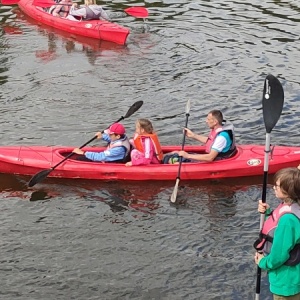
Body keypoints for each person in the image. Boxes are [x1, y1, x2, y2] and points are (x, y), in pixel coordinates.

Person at [254, 167, 300, 300]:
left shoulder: (287, 220)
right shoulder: (292, 207)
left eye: (278, 186)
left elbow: (279, 255)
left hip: (287, 282)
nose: (274, 187)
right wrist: (268, 212)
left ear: (289, 191)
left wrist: (263, 262)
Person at [164, 109, 236, 164]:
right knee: (175, 152)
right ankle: (160, 158)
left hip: (216, 160)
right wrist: (193, 135)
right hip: (212, 157)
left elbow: (210, 157)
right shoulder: (217, 129)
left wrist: (188, 156)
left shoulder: (221, 137)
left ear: (215, 122)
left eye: (208, 119)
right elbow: (210, 141)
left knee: (172, 161)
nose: (206, 121)